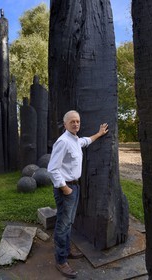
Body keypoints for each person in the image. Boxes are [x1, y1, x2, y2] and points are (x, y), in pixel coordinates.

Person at [47, 110, 109, 279]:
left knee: (68, 223)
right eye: (72, 121)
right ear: (65, 123)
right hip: (66, 189)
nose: (75, 124)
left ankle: (66, 251)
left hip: (74, 188)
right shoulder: (63, 142)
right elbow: (52, 168)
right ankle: (60, 260)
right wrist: (65, 188)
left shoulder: (74, 140)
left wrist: (99, 133)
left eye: (78, 121)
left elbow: (85, 141)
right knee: (63, 224)